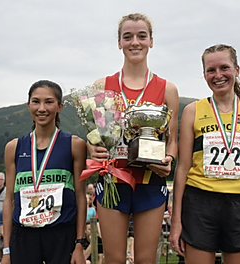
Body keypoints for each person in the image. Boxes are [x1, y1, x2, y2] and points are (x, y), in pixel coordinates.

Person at [169, 44, 240, 264]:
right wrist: (176, 222)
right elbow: (182, 169)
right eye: (211, 70)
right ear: (204, 74)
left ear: (237, 69)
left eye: (224, 68)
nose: (218, 75)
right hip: (199, 203)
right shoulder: (193, 111)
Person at [88, 13, 179, 264]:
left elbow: (172, 139)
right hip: (111, 182)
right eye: (127, 37)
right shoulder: (101, 85)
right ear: (119, 42)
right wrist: (91, 149)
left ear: (151, 41)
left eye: (142, 36)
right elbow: (96, 136)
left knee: (145, 260)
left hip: (149, 180)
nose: (135, 42)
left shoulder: (167, 89)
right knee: (114, 259)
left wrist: (169, 158)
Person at [1, 80, 87, 264]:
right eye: (36, 101)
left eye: (49, 102)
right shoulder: (13, 147)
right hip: (24, 234)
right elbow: (9, 200)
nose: (42, 108)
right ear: (28, 105)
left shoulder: (75, 145)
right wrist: (7, 250)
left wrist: (79, 243)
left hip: (61, 233)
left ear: (60, 106)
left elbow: (81, 196)